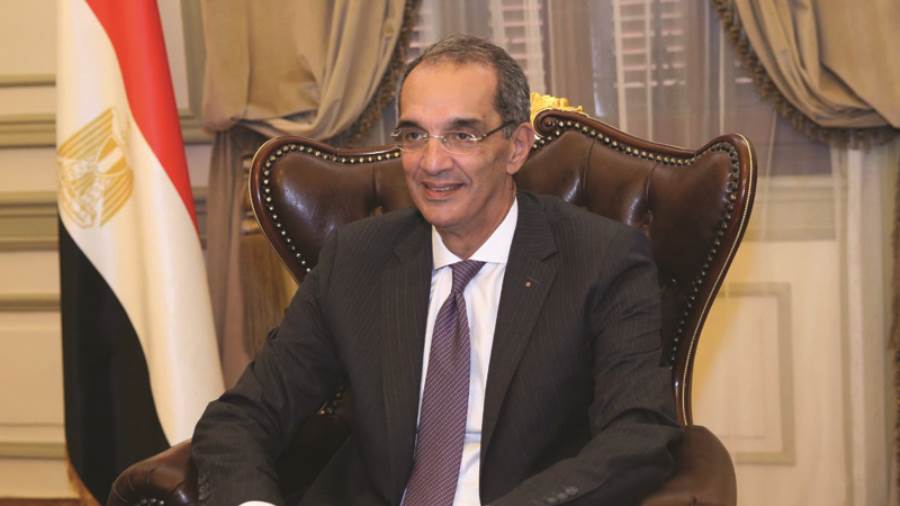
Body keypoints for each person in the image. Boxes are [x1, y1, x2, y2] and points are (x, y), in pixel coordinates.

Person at [192, 34, 681, 506]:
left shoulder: (601, 260)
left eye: (461, 136)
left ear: (516, 147)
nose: (431, 163)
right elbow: (241, 419)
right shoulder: (357, 260)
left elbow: (636, 435)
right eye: (414, 135)